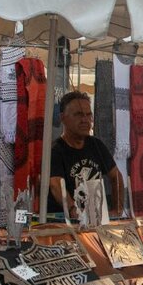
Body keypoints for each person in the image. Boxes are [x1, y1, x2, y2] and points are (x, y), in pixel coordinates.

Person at [47, 91, 125, 220]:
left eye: (88, 115)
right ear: (62, 118)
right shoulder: (56, 150)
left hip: (96, 220)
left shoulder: (96, 145)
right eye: (78, 114)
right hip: (64, 223)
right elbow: (56, 185)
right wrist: (73, 209)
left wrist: (117, 210)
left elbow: (116, 176)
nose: (85, 120)